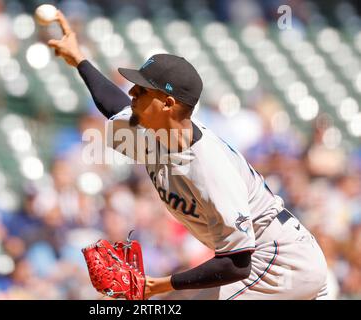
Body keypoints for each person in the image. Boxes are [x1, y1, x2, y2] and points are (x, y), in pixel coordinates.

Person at [47, 10, 328, 300]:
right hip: (264, 258)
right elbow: (114, 105)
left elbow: (237, 263)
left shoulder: (207, 166)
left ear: (168, 104)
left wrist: (156, 285)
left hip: (279, 261)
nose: (132, 92)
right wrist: (79, 59)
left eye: (142, 90)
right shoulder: (152, 132)